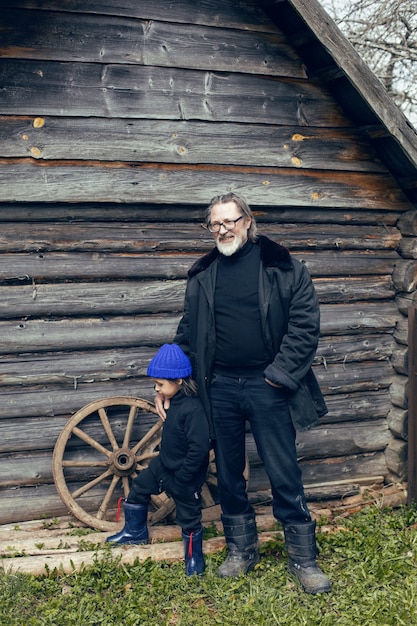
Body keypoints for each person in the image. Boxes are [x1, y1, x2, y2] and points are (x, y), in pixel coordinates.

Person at [156, 192, 331, 594]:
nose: (221, 230)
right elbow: (187, 333)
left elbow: (305, 327)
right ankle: (241, 549)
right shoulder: (202, 275)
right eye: (214, 224)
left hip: (268, 385)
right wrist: (168, 382)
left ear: (248, 221)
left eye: (229, 222)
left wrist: (278, 375)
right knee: (230, 474)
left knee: (284, 471)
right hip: (219, 387)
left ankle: (304, 559)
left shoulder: (284, 268)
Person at [106, 343, 210, 577]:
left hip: (185, 473)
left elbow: (199, 449)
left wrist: (183, 477)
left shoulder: (193, 410)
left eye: (160, 384)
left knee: (189, 516)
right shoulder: (172, 402)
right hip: (164, 464)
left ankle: (194, 558)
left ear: (179, 380)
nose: (157, 390)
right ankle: (135, 532)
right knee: (140, 487)